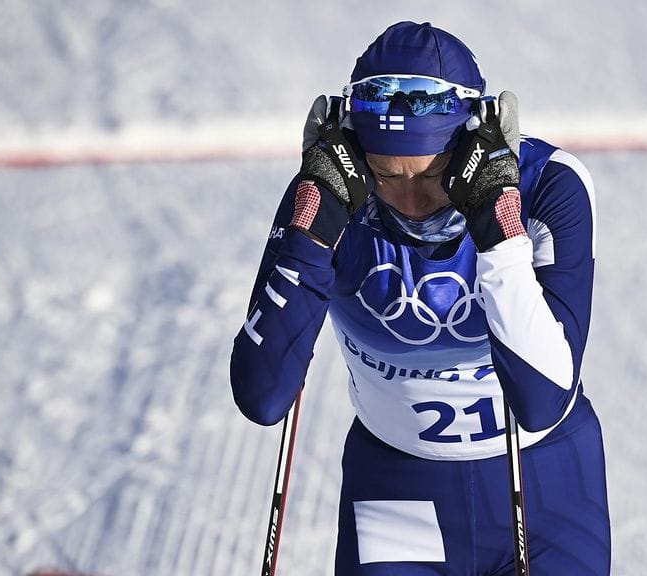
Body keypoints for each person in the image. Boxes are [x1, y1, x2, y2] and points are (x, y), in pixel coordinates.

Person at [230, 21, 610, 575]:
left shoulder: (547, 187)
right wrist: (310, 233)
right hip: (395, 490)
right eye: (386, 177)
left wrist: (500, 232)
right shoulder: (330, 195)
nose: (411, 203)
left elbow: (542, 399)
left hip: (545, 484)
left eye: (431, 177)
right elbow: (263, 396)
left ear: (472, 145)